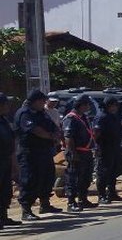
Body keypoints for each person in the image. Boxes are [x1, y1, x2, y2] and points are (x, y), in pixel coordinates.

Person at [16, 90, 62, 220]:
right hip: (30, 152)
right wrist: (51, 136)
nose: (44, 103)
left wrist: (56, 134)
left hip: (45, 150)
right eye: (42, 101)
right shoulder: (25, 113)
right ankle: (26, 210)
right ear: (35, 101)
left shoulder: (41, 113)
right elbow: (35, 130)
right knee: (30, 179)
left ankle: (45, 204)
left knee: (47, 176)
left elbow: (53, 126)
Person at [62, 94, 97, 212]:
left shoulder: (83, 117)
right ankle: (71, 202)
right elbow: (68, 137)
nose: (88, 106)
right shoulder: (71, 118)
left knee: (86, 177)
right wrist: (73, 153)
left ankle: (83, 199)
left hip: (86, 152)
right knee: (73, 177)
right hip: (76, 152)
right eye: (87, 104)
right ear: (81, 105)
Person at [93, 97, 122, 203]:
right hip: (104, 148)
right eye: (114, 105)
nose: (116, 107)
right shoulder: (101, 117)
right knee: (103, 172)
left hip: (114, 147)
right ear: (109, 105)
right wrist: (97, 147)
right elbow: (96, 133)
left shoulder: (113, 116)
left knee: (113, 171)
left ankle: (112, 193)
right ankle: (101, 195)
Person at [0, 93, 17, 227]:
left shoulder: (4, 120)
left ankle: (3, 217)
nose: (8, 106)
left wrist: (13, 163)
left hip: (5, 160)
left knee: (6, 190)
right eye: (6, 104)